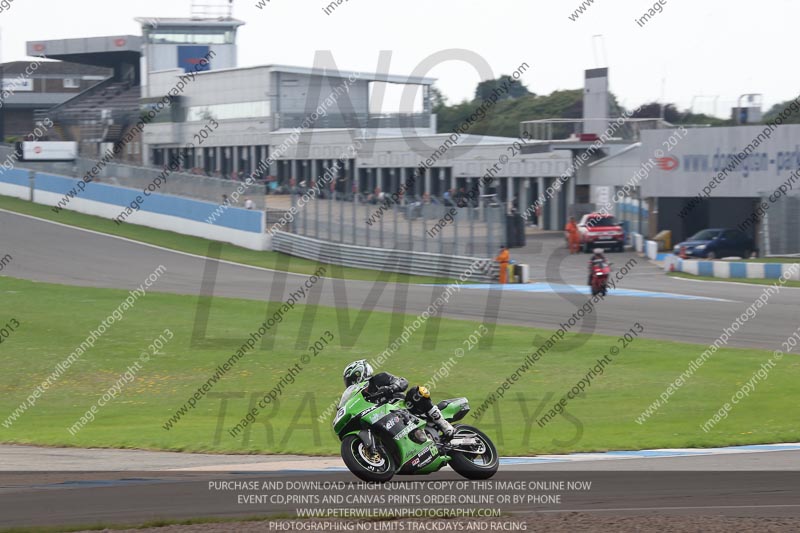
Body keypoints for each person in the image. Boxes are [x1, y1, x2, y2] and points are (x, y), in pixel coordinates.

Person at [341, 360, 455, 438]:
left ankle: (443, 424)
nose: (351, 384)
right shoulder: (360, 397)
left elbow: (402, 381)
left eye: (352, 380)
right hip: (385, 420)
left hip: (404, 408)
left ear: (360, 373)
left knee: (417, 392)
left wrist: (392, 388)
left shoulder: (379, 379)